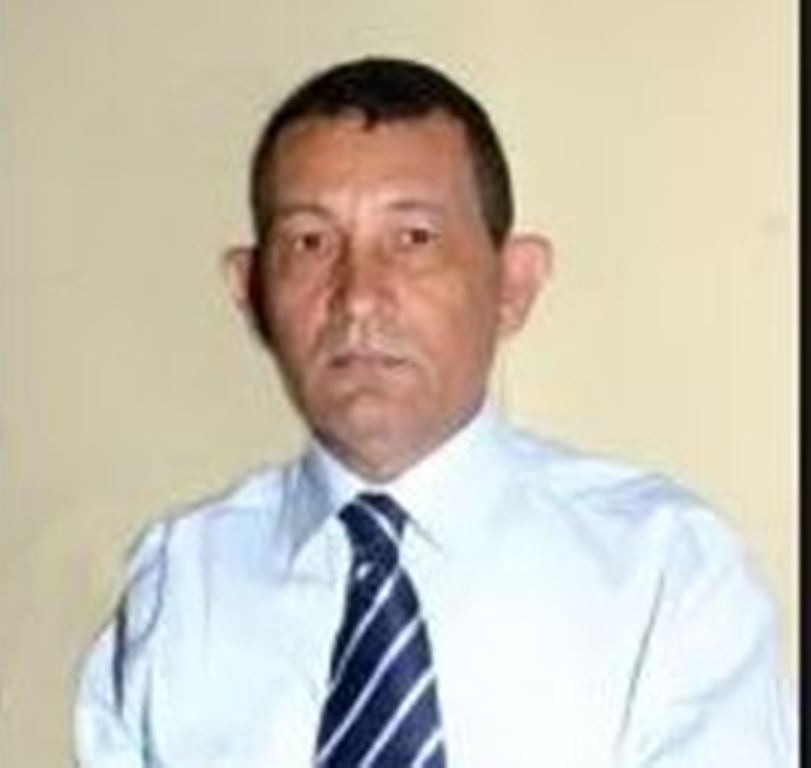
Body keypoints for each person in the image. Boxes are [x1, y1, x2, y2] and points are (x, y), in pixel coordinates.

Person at [75, 57, 796, 767]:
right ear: (251, 292)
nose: (358, 296)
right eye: (310, 243)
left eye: (414, 238)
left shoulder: (666, 574)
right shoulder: (180, 584)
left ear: (513, 284)